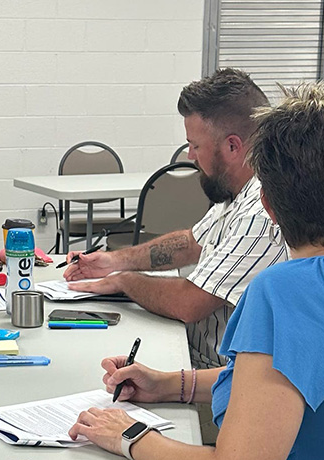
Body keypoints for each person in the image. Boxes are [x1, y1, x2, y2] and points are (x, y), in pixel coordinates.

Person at [69, 83, 324, 460]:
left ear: (267, 205)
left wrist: (129, 435)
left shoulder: (289, 291)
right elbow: (311, 381)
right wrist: (172, 384)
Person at [64, 68, 288, 369]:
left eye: (196, 146)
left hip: (217, 384)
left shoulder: (260, 213)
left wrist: (126, 282)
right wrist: (114, 261)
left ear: (233, 146)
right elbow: (189, 243)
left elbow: (189, 303)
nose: (191, 156)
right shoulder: (235, 194)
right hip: (191, 356)